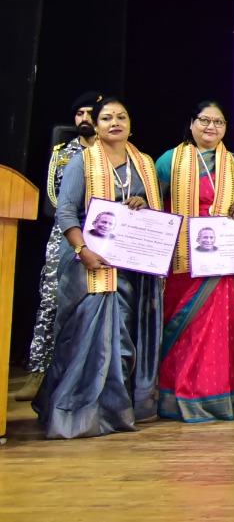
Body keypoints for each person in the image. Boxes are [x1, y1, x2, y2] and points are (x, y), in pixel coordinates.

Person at [33, 96, 162, 439]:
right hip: (88, 263)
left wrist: (142, 204)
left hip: (128, 268)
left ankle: (112, 412)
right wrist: (82, 250)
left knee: (121, 340)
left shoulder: (143, 164)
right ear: (97, 125)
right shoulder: (82, 162)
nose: (114, 123)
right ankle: (76, 413)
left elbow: (154, 213)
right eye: (107, 118)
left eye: (121, 117)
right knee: (86, 340)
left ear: (131, 125)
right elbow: (65, 211)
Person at [156, 100, 234, 420]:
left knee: (218, 331)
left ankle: (215, 397)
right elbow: (152, 197)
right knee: (183, 329)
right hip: (182, 262)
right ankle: (176, 398)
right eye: (205, 120)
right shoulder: (169, 160)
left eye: (218, 122)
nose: (211, 127)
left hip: (221, 264)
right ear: (192, 123)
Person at [17, 90, 101, 403]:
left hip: (105, 234)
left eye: (90, 113)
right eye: (79, 113)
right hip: (65, 235)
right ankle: (38, 373)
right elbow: (54, 198)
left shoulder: (113, 153)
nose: (84, 119)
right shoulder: (64, 153)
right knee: (51, 300)